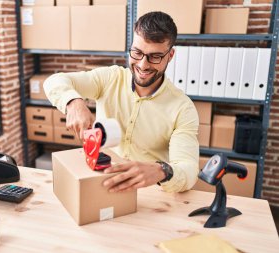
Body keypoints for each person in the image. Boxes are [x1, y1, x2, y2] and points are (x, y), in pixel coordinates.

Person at [43, 11, 199, 193]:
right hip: (103, 183)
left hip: (151, 195)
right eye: (137, 52)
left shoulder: (183, 108)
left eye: (155, 56)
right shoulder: (110, 78)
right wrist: (73, 102)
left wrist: (162, 170)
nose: (142, 65)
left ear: (170, 56)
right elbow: (54, 81)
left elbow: (189, 171)